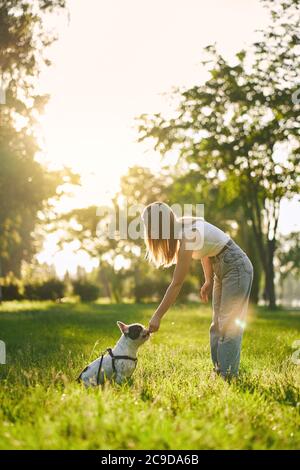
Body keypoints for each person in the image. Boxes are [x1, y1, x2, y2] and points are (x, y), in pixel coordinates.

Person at [142, 201, 253, 379]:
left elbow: (177, 283)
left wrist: (157, 316)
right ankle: (219, 371)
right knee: (217, 324)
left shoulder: (187, 236)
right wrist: (208, 279)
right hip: (221, 265)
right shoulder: (183, 227)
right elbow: (207, 250)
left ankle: (229, 375)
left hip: (236, 265)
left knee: (228, 323)